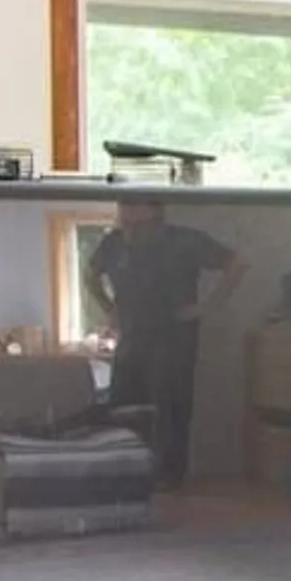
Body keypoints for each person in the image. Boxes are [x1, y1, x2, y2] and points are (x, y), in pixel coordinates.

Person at [88, 199, 236, 481]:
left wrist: (208, 306)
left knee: (170, 407)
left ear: (157, 216)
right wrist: (110, 310)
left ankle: (169, 479)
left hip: (174, 338)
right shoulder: (114, 243)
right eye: (126, 222)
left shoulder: (184, 240)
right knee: (122, 405)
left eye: (138, 224)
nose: (131, 230)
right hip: (132, 336)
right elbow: (90, 276)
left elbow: (238, 263)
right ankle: (126, 472)